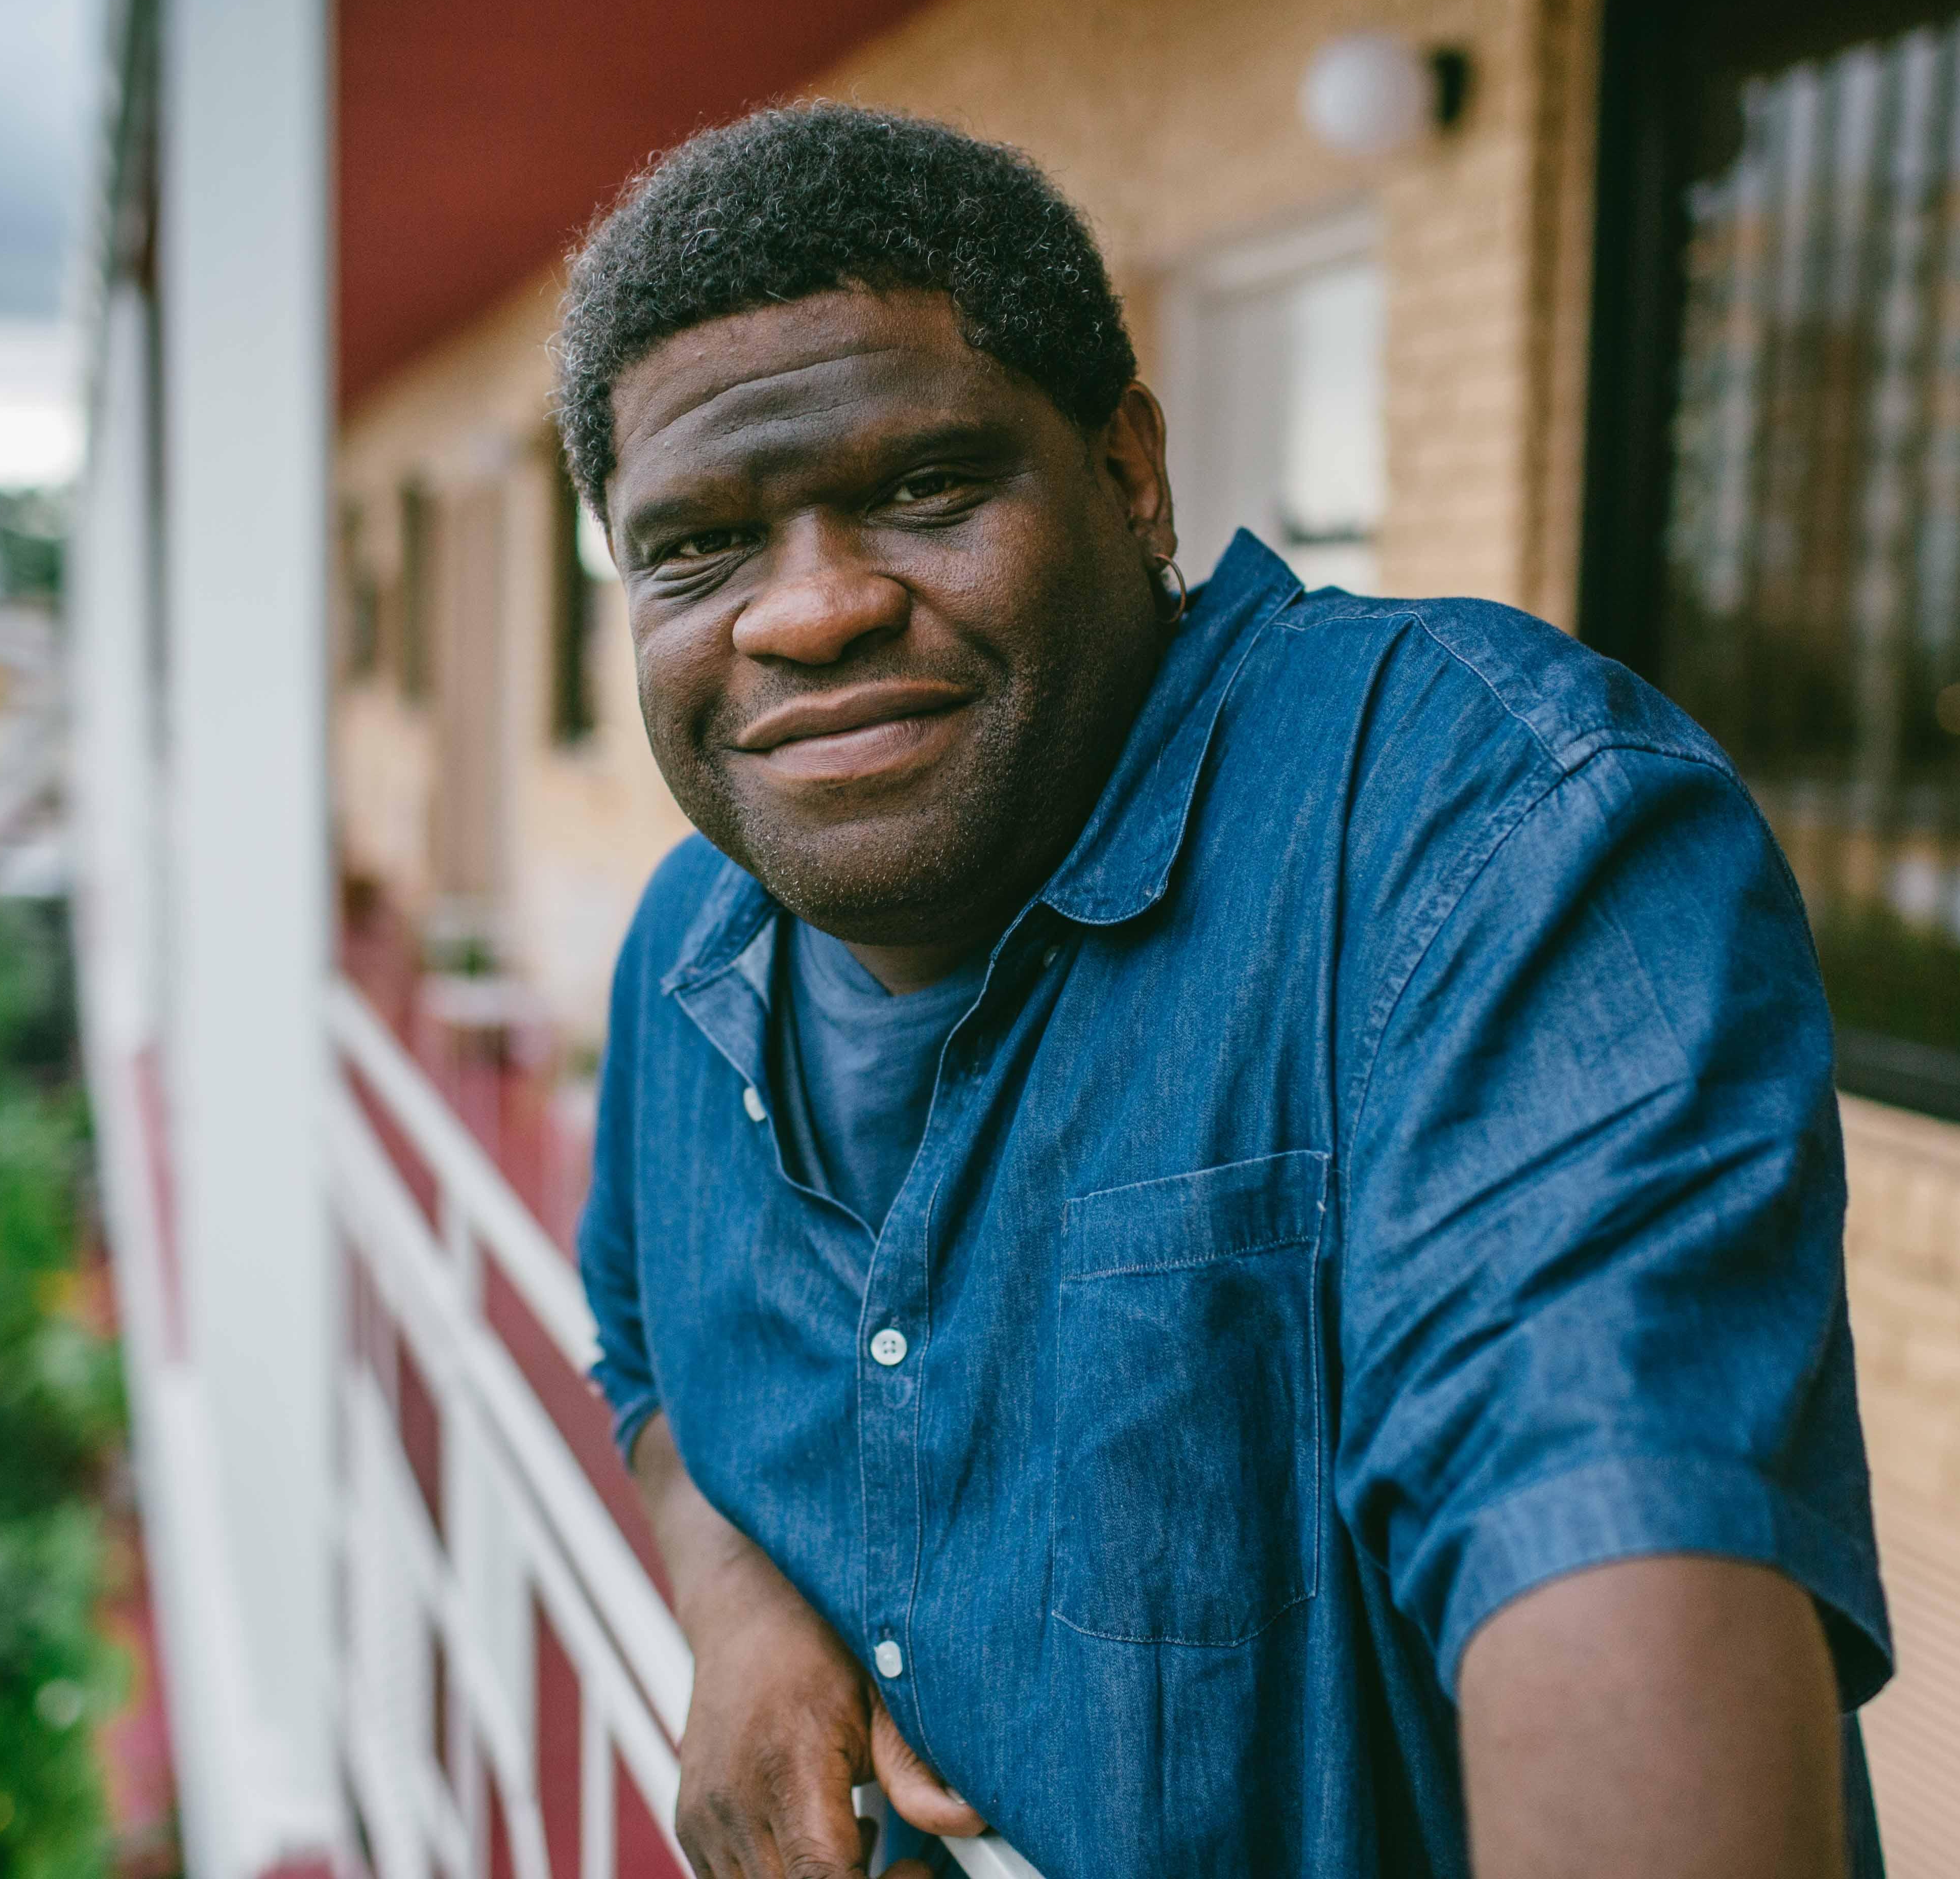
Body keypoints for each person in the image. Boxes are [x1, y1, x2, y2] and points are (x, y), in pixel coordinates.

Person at [564, 103, 1888, 1879]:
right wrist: (733, 1609)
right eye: (695, 548)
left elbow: (1597, 1506)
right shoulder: (687, 947)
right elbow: (644, 1353)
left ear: (1127, 473)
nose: (806, 612)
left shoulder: (1482, 839)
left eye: (920, 489)